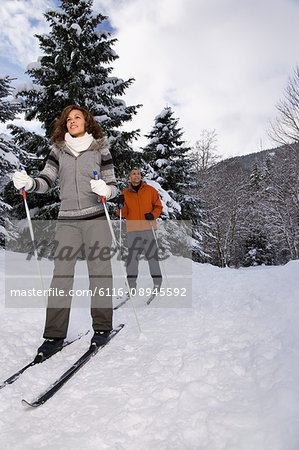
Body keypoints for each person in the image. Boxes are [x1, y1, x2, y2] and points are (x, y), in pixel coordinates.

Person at [12, 105, 118, 359]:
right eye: (68, 119)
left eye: (77, 117)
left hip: (95, 218)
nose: (72, 121)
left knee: (100, 274)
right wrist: (30, 183)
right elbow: (46, 180)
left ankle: (102, 328)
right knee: (61, 277)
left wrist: (106, 190)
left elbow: (113, 185)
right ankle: (54, 335)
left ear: (87, 122)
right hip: (67, 220)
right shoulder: (58, 150)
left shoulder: (100, 149)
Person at [117, 168, 163, 294]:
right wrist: (120, 204)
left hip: (148, 228)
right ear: (129, 178)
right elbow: (123, 213)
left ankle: (157, 284)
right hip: (133, 230)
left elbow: (158, 206)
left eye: (138, 174)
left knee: (152, 257)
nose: (136, 176)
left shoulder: (150, 190)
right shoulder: (125, 193)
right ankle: (131, 286)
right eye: (133, 174)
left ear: (140, 176)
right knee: (132, 260)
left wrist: (153, 215)